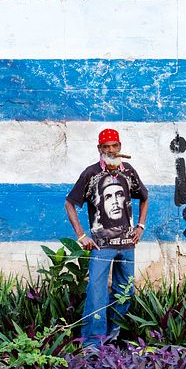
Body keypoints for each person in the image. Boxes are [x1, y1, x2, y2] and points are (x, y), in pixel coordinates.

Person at [65, 128, 149, 347]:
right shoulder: (91, 174)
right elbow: (70, 203)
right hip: (101, 246)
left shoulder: (128, 171)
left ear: (120, 147)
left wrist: (140, 226)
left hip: (128, 244)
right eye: (106, 146)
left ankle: (110, 336)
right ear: (99, 149)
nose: (111, 150)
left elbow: (145, 197)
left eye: (114, 145)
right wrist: (81, 235)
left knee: (126, 291)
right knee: (96, 293)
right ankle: (92, 345)